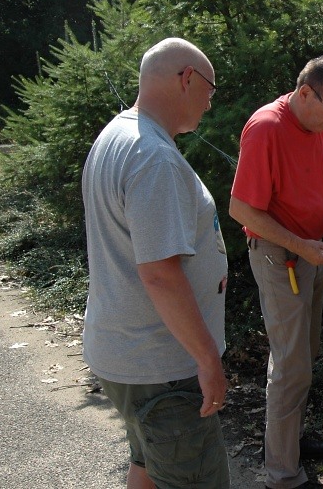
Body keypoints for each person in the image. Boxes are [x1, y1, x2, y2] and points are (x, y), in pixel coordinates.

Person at [82, 37, 230, 489]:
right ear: (187, 78)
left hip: (127, 354)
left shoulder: (119, 134)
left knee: (147, 466)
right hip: (161, 368)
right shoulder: (154, 158)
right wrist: (208, 360)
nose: (209, 101)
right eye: (210, 88)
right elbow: (160, 274)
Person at [229, 55, 323, 489]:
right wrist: (301, 246)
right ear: (305, 94)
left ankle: (291, 441)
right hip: (278, 255)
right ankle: (282, 474)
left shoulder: (319, 124)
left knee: (307, 353)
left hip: (311, 251)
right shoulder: (266, 128)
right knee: (290, 364)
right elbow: (241, 208)